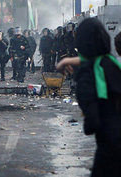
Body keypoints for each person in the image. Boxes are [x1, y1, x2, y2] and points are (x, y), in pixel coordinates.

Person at [57, 18, 121, 177]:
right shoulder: (112, 62)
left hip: (111, 142)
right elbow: (96, 59)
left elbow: (92, 122)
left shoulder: (88, 75)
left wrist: (90, 124)